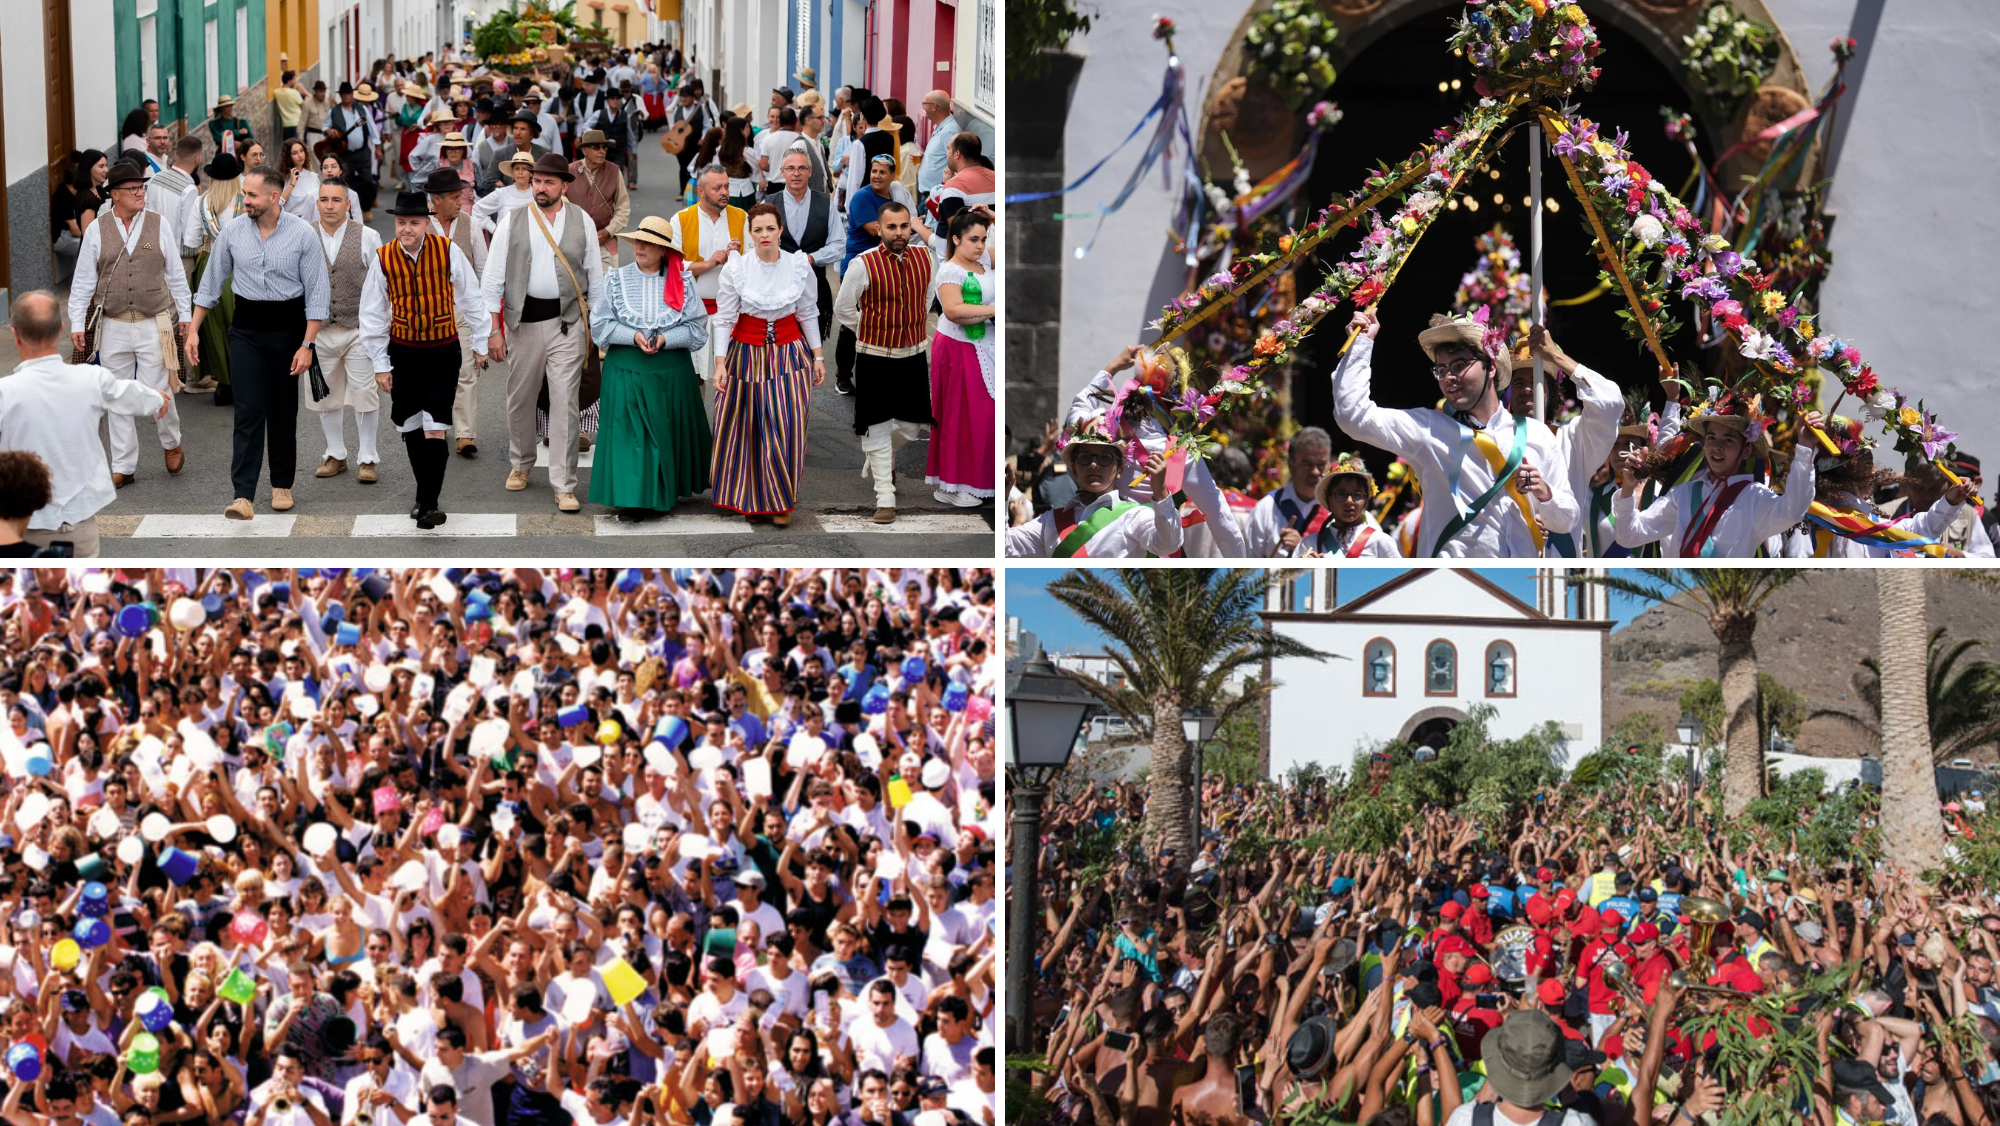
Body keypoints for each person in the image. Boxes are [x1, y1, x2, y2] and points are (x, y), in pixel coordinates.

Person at [1333, 307, 1578, 557]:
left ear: (1491, 367)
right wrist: (1361, 343)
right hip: (1452, 578)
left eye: (1459, 365)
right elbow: (1352, 415)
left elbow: (1568, 520)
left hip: (1519, 578)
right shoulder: (1427, 429)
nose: (1448, 377)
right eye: (1441, 369)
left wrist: (1543, 491)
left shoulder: (1537, 434)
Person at [186, 165, 332, 521]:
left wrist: (307, 345)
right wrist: (193, 330)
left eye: (251, 195)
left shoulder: (302, 234)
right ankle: (243, 495)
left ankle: (281, 484)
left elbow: (317, 294)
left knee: (282, 411)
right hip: (246, 330)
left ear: (273, 196)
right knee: (247, 411)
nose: (245, 201)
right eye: (244, 194)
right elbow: (211, 282)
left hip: (288, 332)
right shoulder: (233, 231)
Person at [482, 152, 608, 514]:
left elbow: (594, 276)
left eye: (548, 182)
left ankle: (564, 484)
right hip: (522, 324)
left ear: (564, 186)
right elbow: (493, 278)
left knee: (565, 401)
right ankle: (521, 462)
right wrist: (494, 330)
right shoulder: (512, 219)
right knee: (520, 398)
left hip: (567, 324)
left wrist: (594, 329)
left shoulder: (582, 220)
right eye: (537, 181)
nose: (540, 187)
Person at [0, 291, 170, 556]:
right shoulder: (91, 379)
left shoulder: (5, 392)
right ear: (60, 330)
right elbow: (125, 393)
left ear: (16, 334)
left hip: (22, 524)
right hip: (78, 521)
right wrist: (157, 399)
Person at [359, 190, 488, 529]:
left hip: (443, 350)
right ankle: (424, 494)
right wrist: (380, 365)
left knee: (435, 427)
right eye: (402, 222)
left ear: (426, 223)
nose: (407, 229)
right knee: (410, 425)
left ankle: (429, 504)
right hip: (403, 352)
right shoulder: (384, 258)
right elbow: (372, 314)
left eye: (414, 222)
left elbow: (471, 297)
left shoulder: (447, 250)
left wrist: (480, 341)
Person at [65, 159, 192, 487]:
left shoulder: (159, 224)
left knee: (159, 389)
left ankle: (171, 442)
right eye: (133, 188)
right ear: (115, 194)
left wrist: (186, 316)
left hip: (154, 322)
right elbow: (83, 281)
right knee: (116, 394)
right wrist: (77, 323)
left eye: (141, 187)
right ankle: (123, 464)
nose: (140, 193)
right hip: (113, 324)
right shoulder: (97, 229)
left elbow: (176, 275)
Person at [588, 215, 711, 520]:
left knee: (663, 433)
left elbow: (697, 329)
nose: (640, 247)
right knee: (630, 436)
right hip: (626, 368)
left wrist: (666, 339)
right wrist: (633, 336)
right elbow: (600, 325)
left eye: (649, 243)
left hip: (671, 372)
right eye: (638, 241)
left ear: (664, 250)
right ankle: (633, 499)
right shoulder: (616, 279)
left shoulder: (683, 282)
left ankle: (662, 493)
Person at [709, 202, 825, 525]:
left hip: (790, 354)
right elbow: (724, 318)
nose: (765, 235)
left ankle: (780, 502)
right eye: (758, 229)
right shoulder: (737, 268)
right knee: (748, 427)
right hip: (745, 354)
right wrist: (720, 364)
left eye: (770, 228)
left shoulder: (798, 265)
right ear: (750, 233)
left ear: (780, 231)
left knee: (787, 425)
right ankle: (751, 498)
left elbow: (808, 312)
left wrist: (818, 356)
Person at [1611, 399, 1821, 557]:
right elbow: (1629, 535)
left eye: (1728, 440)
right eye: (1711, 438)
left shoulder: (1755, 497)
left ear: (1746, 450)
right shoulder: (1683, 494)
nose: (1717, 446)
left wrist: (1805, 448)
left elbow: (1793, 511)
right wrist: (1628, 488)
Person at [833, 200, 931, 525]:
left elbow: (927, 298)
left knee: (912, 426)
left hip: (913, 354)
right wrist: (871, 328)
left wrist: (910, 325)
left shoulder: (925, 257)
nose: (899, 232)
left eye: (904, 226)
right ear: (879, 229)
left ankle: (879, 455)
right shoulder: (863, 263)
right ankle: (885, 497)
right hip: (874, 355)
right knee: (875, 424)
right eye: (892, 227)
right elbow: (843, 309)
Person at [302, 176, 385, 486]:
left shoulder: (368, 236)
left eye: (336, 200)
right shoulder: (304, 235)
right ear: (317, 203)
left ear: (348, 204)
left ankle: (368, 457)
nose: (330, 206)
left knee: (365, 393)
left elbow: (382, 284)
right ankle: (335, 453)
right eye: (324, 200)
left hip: (358, 329)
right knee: (324, 394)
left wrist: (381, 329)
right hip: (318, 330)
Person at [1005, 417, 1180, 556]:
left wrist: (1160, 491)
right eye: (1085, 458)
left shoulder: (1134, 516)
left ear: (1120, 469)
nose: (1094, 465)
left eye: (1104, 458)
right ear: (1074, 468)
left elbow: (1168, 545)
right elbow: (1004, 547)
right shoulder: (1050, 521)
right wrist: (1003, 495)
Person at [923, 211, 994, 509]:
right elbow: (953, 311)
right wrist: (995, 309)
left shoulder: (985, 260)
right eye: (973, 239)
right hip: (959, 347)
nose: (980, 245)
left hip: (985, 344)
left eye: (983, 239)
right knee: (959, 415)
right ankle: (951, 484)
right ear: (956, 239)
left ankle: (981, 480)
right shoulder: (950, 270)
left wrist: (992, 215)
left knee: (984, 416)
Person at [421, 167, 490, 459]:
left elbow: (482, 268)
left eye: (461, 195)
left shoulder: (470, 223)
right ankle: (436, 425)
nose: (461, 201)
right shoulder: (421, 225)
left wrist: (483, 315)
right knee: (432, 373)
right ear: (436, 199)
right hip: (428, 312)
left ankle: (465, 434)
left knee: (465, 371)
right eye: (454, 197)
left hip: (462, 310)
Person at [678, 164, 749, 388]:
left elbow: (754, 262)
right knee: (694, 377)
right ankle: (696, 414)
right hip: (694, 313)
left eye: (726, 186)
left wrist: (738, 257)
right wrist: (708, 264)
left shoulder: (742, 217)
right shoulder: (681, 219)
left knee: (732, 375)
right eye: (717, 188)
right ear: (701, 191)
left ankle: (728, 412)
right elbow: (672, 266)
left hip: (732, 314)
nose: (724, 192)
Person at [759, 149, 840, 340]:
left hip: (815, 287)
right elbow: (754, 245)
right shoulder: (768, 204)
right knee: (778, 346)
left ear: (810, 172)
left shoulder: (826, 203)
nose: (796, 173)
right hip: (776, 288)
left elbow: (838, 244)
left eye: (802, 168)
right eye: (791, 168)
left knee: (813, 347)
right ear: (782, 172)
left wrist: (812, 258)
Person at [187, 152, 247, 402]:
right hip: (241, 265)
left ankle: (223, 382)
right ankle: (244, 380)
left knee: (214, 328)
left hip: (209, 263)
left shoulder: (201, 203)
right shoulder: (246, 201)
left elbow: (191, 241)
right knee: (241, 325)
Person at [1293, 454, 1402, 557]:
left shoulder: (1380, 542)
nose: (1349, 501)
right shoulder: (1309, 544)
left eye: (1357, 495)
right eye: (1341, 495)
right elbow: (1291, 571)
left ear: (1366, 499)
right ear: (1329, 498)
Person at [568, 130, 632, 272]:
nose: (602, 151)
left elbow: (623, 208)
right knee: (576, 284)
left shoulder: (614, 171)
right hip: (574, 244)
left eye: (604, 147)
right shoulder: (569, 172)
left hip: (605, 244)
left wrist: (609, 231)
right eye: (596, 147)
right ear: (585, 151)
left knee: (606, 283)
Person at [51, 149, 109, 286]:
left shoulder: (99, 191)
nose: (106, 170)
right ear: (89, 168)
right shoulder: (86, 197)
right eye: (101, 166)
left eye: (106, 165)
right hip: (95, 255)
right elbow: (88, 233)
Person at [326, 82, 383, 218]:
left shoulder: (361, 109)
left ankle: (367, 207)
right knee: (346, 182)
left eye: (348, 93)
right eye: (344, 94)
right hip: (344, 153)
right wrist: (328, 130)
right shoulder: (334, 111)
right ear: (340, 95)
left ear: (352, 95)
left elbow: (372, 128)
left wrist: (378, 148)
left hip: (363, 151)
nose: (346, 96)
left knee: (367, 180)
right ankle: (348, 211)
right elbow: (325, 126)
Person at [474, 150, 538, 234]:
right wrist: (493, 229)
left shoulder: (537, 195)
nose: (520, 172)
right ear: (512, 172)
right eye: (517, 169)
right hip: (505, 240)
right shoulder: (502, 193)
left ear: (531, 173)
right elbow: (477, 209)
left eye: (524, 169)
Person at [915, 92, 959, 204]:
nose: (923, 108)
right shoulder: (941, 127)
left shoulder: (949, 131)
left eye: (925, 104)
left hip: (935, 197)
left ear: (934, 107)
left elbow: (956, 162)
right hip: (929, 194)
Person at [276, 137, 323, 221]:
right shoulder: (281, 178)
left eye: (301, 151)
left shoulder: (313, 177)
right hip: (290, 221)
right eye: (295, 153)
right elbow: (277, 203)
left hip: (311, 222)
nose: (300, 155)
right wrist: (291, 184)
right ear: (288, 157)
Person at [274, 70, 306, 141]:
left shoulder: (277, 92)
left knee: (288, 145)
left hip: (286, 125)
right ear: (289, 81)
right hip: (297, 123)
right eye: (293, 80)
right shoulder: (294, 93)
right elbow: (303, 106)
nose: (294, 81)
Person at [302, 79, 333, 150]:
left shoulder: (328, 102)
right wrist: (301, 139)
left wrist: (333, 102)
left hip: (326, 135)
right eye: (321, 91)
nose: (323, 93)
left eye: (324, 91)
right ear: (316, 91)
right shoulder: (307, 103)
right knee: (314, 154)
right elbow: (302, 121)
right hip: (313, 134)